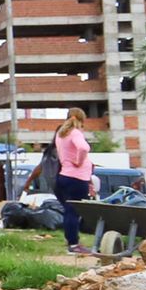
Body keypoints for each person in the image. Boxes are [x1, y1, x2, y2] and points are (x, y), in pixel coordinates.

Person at [53, 108, 94, 254]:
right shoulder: (75, 133)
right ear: (81, 120)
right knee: (74, 211)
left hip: (63, 176)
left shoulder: (60, 134)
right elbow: (83, 148)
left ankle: (71, 241)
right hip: (77, 178)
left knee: (69, 211)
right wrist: (79, 161)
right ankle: (74, 244)